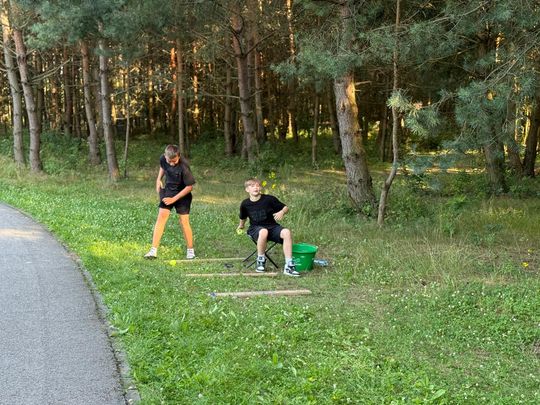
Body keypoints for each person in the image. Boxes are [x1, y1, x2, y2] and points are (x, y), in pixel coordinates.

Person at [237, 178, 300, 277]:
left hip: (272, 227)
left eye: (257, 185)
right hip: (255, 228)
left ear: (260, 188)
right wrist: (241, 226)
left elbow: (285, 207)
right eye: (252, 186)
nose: (255, 187)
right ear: (247, 189)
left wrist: (282, 212)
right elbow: (243, 217)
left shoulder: (269, 199)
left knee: (286, 232)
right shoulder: (245, 204)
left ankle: (289, 265)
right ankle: (261, 260)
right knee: (263, 231)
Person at [144, 144, 196, 259]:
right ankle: (153, 251)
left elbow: (189, 187)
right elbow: (163, 166)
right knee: (161, 216)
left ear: (179, 156)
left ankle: (190, 251)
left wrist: (173, 199)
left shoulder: (184, 166)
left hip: (183, 194)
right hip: (168, 191)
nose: (172, 164)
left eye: (174, 161)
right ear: (165, 156)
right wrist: (158, 179)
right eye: (169, 161)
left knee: (184, 221)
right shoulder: (163, 159)